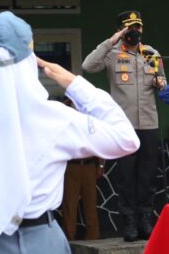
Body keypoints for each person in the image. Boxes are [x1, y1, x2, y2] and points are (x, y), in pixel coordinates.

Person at [0, 11, 140, 253]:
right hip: (41, 240)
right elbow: (126, 139)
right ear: (29, 62)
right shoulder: (55, 118)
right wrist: (76, 84)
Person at [81, 10, 167, 241]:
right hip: (123, 127)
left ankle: (144, 220)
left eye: (138, 27)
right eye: (130, 28)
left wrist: (161, 84)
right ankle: (128, 222)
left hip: (149, 124)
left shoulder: (151, 54)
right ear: (121, 30)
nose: (135, 32)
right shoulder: (111, 54)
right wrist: (111, 40)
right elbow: (88, 66)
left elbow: (163, 85)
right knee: (126, 177)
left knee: (147, 176)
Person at [61, 98, 104, 241]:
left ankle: (94, 238)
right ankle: (69, 240)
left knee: (91, 204)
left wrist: (101, 165)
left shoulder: (90, 118)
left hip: (89, 165)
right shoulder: (65, 117)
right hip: (71, 165)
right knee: (69, 205)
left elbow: (98, 142)